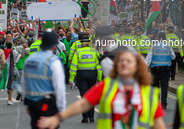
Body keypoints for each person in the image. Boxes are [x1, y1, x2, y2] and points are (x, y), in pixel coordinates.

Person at [38, 51, 166, 129]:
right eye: (120, 61)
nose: (124, 63)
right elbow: (83, 103)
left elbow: (158, 124)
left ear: (138, 67)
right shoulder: (107, 85)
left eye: (129, 61)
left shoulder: (148, 93)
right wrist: (59, 117)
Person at [21, 30, 66, 129]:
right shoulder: (54, 61)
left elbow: (24, 84)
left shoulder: (29, 60)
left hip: (32, 103)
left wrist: (26, 102)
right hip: (48, 105)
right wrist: (62, 110)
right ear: (54, 46)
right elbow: (59, 88)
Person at [69, 37, 102, 123]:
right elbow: (98, 66)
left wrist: (71, 79)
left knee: (84, 97)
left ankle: (85, 118)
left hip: (81, 75)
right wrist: (99, 79)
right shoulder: (94, 52)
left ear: (82, 43)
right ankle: (91, 117)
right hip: (92, 75)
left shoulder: (78, 52)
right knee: (92, 96)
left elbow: (73, 67)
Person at [146, 31, 176, 109]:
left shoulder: (154, 46)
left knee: (155, 87)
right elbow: (173, 57)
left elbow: (148, 59)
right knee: (164, 87)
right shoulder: (168, 46)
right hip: (166, 70)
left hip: (155, 70)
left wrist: (146, 68)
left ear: (158, 38)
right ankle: (164, 104)